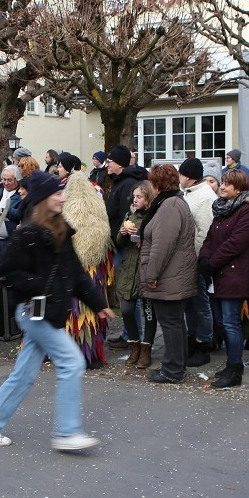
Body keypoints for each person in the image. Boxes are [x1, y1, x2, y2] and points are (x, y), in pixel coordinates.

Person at [0, 172, 115, 450]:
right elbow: (9, 275)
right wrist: (42, 287)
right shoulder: (27, 234)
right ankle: (67, 433)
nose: (62, 197)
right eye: (56, 194)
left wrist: (99, 305)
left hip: (46, 311)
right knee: (72, 362)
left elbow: (76, 274)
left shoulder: (61, 228)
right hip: (35, 312)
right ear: (42, 199)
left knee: (23, 374)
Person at [199, 169, 249, 389]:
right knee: (222, 322)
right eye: (222, 183)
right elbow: (210, 237)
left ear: (239, 188)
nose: (222, 187)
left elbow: (236, 243)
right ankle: (231, 364)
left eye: (227, 184)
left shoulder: (247, 211)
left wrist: (212, 262)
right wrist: (204, 258)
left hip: (234, 274)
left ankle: (235, 368)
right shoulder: (222, 209)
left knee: (231, 323)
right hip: (217, 275)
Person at [138, 163, 199, 383]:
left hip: (169, 276)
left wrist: (151, 275)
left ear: (157, 184)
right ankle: (176, 367)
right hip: (175, 274)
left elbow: (163, 246)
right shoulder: (173, 202)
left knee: (171, 322)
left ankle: (172, 371)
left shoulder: (169, 205)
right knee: (175, 322)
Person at [61, 171, 113, 369]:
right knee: (90, 312)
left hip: (73, 272)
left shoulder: (66, 208)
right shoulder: (98, 208)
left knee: (74, 314)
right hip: (93, 271)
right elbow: (105, 242)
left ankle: (71, 353)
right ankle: (89, 355)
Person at [179, 157, 216, 368]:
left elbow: (204, 232)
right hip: (186, 261)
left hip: (196, 260)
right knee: (189, 305)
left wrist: (197, 259)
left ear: (189, 177)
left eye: (181, 174)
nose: (179, 178)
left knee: (201, 305)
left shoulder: (204, 197)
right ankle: (191, 340)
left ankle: (204, 344)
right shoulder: (189, 193)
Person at [116, 180, 153, 369]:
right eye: (135, 196)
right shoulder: (130, 213)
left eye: (140, 196)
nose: (135, 199)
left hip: (146, 267)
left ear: (148, 197)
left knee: (148, 312)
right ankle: (134, 345)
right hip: (129, 266)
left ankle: (146, 350)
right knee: (127, 309)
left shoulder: (154, 214)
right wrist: (123, 233)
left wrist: (141, 236)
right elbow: (119, 242)